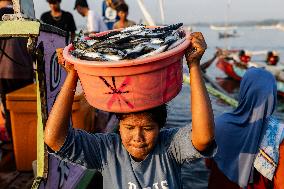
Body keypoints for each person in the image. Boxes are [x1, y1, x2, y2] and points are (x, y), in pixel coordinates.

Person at [44, 32, 216, 188]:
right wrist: (73, 75)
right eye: (129, 128)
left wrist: (193, 65)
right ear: (119, 126)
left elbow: (204, 138)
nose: (138, 138)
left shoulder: (170, 147)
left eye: (148, 128)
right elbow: (54, 138)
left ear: (160, 127)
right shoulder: (107, 150)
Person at [206, 67, 284, 189]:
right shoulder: (279, 135)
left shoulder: (219, 124)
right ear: (273, 96)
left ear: (243, 92)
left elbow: (209, 163)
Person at [0, 0, 34, 141]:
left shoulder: (1, 14)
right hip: (26, 70)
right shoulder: (26, 15)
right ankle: (27, 143)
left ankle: (16, 147)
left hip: (5, 72)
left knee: (9, 111)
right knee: (27, 112)